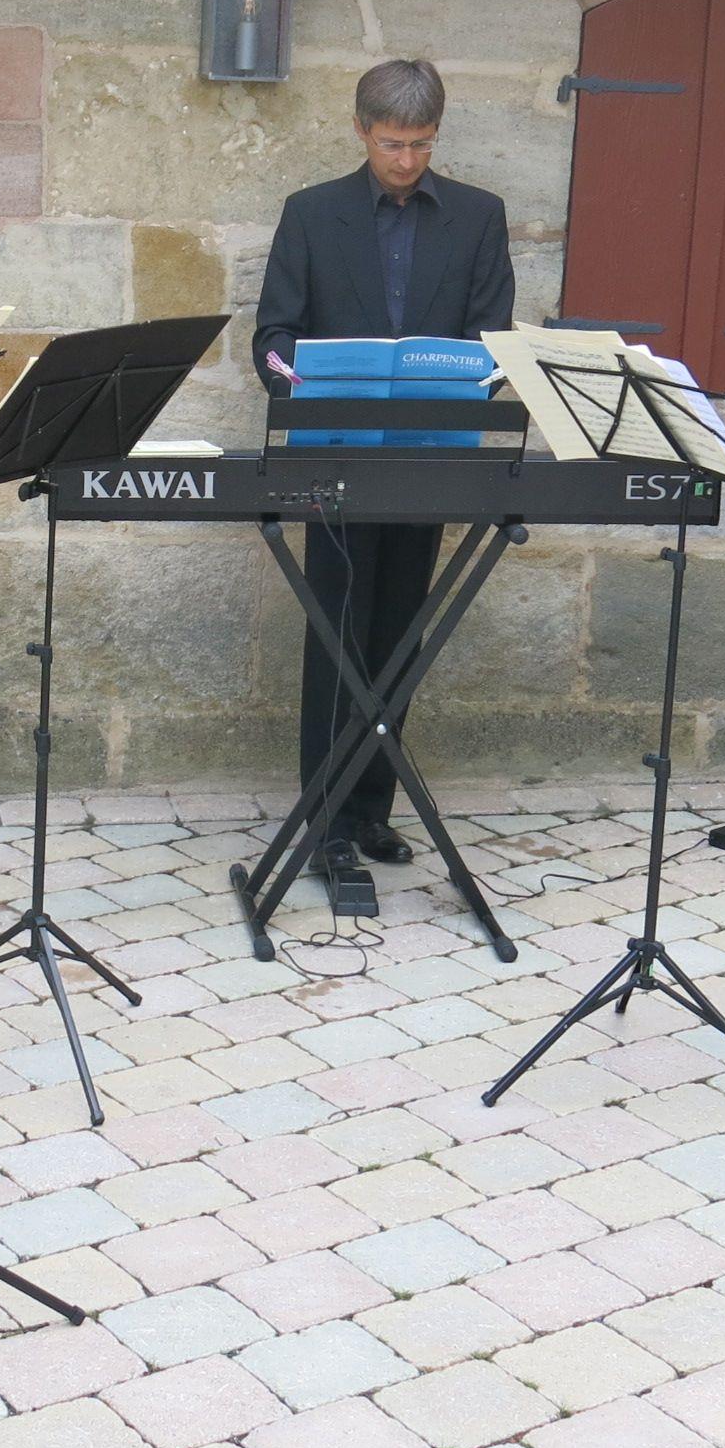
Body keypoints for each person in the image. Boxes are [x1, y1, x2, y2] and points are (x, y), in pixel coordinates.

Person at [252, 59, 516, 903]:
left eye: (424, 144)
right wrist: (290, 373)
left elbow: (494, 336)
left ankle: (372, 806)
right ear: (363, 130)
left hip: (429, 456)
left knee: (400, 631)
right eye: (394, 143)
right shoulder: (311, 213)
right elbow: (274, 332)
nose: (407, 160)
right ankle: (322, 821)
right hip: (336, 458)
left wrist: (478, 375)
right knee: (337, 635)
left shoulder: (478, 216)